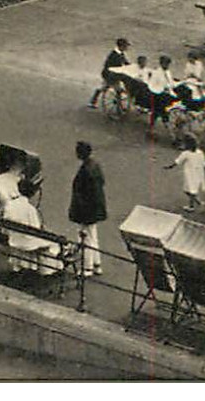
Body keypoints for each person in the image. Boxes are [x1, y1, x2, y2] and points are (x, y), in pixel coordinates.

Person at [69, 141, 107, 277]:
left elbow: (81, 191)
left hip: (86, 210)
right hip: (95, 209)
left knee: (85, 238)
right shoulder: (95, 166)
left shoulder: (85, 170)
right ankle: (96, 264)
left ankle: (87, 267)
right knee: (92, 235)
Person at [167, 135, 205, 212]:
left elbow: (177, 162)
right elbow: (204, 163)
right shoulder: (200, 152)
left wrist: (169, 167)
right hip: (198, 173)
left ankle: (193, 206)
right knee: (191, 190)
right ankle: (198, 203)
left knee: (189, 190)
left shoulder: (186, 153)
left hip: (190, 174)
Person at [88, 38, 131, 108]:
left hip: (115, 74)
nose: (127, 48)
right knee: (106, 87)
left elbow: (125, 63)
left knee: (107, 87)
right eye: (125, 46)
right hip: (109, 74)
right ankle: (93, 101)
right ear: (121, 46)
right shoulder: (114, 55)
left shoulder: (120, 53)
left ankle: (120, 102)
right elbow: (111, 66)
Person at [144, 55, 176, 138]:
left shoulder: (168, 72)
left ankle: (150, 129)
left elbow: (170, 83)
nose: (167, 66)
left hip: (166, 95)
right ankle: (172, 136)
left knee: (158, 114)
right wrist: (162, 89)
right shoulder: (156, 73)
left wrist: (171, 86)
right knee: (161, 114)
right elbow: (151, 86)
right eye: (165, 64)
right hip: (157, 96)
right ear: (161, 64)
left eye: (168, 64)